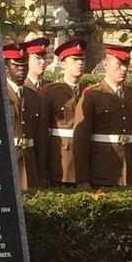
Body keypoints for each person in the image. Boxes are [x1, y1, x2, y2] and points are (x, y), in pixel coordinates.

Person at [73, 43, 132, 188]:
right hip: (101, 173)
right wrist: (82, 179)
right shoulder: (92, 95)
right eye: (119, 64)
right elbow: (81, 140)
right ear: (105, 64)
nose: (124, 69)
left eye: (127, 64)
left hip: (128, 173)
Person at [39, 38, 87, 186]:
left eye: (82, 59)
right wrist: (44, 173)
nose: (80, 63)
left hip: (85, 165)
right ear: (63, 63)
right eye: (74, 60)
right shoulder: (50, 93)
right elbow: (42, 134)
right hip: (60, 164)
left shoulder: (90, 92)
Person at [3, 43, 45, 189]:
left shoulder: (35, 97)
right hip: (7, 164)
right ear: (6, 68)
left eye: (25, 65)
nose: (22, 69)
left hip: (30, 165)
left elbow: (40, 138)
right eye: (16, 65)